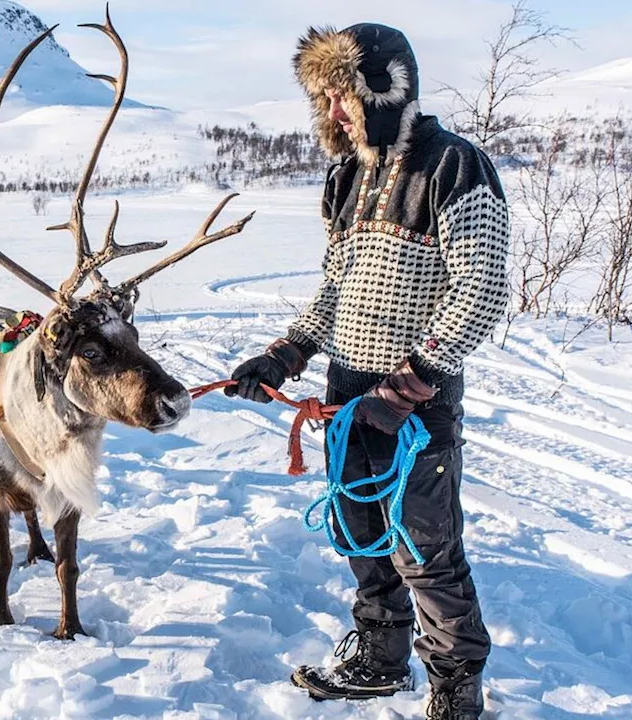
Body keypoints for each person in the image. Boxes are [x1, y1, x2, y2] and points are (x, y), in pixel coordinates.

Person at [227, 23, 510, 720]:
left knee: (425, 549)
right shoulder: (349, 175)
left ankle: (455, 686)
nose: (332, 113)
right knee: (361, 532)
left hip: (417, 401)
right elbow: (336, 288)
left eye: (342, 96)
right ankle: (382, 658)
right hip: (349, 395)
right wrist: (288, 351)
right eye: (323, 100)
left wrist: (413, 381)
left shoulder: (454, 167)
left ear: (385, 89)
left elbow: (482, 290)